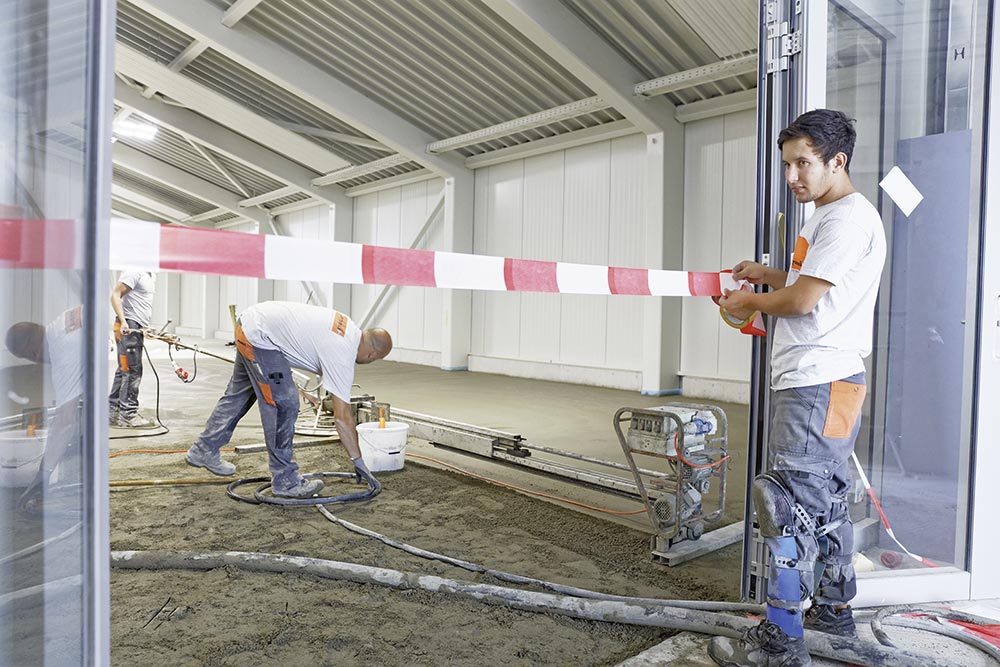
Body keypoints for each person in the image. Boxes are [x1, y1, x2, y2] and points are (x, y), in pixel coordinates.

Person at [709, 109, 886, 667]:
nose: (792, 177)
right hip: (833, 380)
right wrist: (770, 275)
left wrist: (749, 301)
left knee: (786, 506)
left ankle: (782, 642)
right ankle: (834, 617)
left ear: (839, 161)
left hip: (815, 381)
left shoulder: (844, 221)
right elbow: (816, 286)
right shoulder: (831, 217)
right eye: (787, 164)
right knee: (826, 501)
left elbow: (805, 303)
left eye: (802, 164)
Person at [185, 301, 392, 499]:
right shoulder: (343, 353)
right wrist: (358, 461)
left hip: (250, 323)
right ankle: (285, 480)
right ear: (372, 354)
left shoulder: (348, 327)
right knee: (284, 404)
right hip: (260, 338)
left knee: (238, 394)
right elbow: (342, 418)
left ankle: (203, 449)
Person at [5, 306, 86, 509]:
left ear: (32, 354)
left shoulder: (63, 355)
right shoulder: (61, 320)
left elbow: (65, 421)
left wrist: (44, 473)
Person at [109, 270, 156, 427]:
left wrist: (145, 328)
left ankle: (112, 411)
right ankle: (128, 415)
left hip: (135, 326)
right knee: (132, 370)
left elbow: (139, 303)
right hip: (128, 326)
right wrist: (124, 322)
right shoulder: (133, 270)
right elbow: (115, 295)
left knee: (124, 369)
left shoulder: (150, 274)